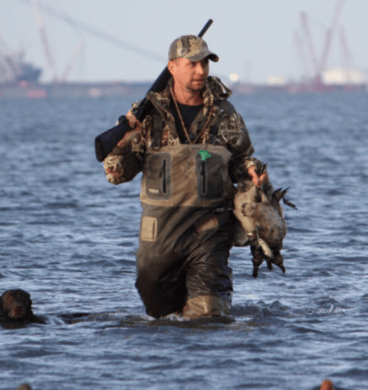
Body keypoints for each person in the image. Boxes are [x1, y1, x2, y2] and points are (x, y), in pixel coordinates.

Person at [103, 35, 267, 319]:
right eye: (192, 64)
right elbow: (117, 175)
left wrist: (252, 171)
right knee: (160, 317)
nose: (200, 71)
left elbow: (242, 158)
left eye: (205, 63)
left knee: (208, 317)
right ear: (172, 67)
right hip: (160, 236)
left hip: (210, 230)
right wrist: (121, 141)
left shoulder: (225, 113)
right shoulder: (147, 115)